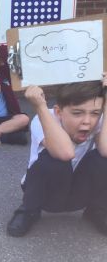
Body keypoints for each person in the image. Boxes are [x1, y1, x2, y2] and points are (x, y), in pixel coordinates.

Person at [7, 75, 107, 237]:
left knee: (103, 159)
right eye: (77, 113)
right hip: (44, 193)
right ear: (59, 112)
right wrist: (40, 106)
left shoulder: (98, 119)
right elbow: (65, 153)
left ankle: (97, 210)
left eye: (95, 113)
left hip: (78, 192)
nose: (87, 121)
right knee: (56, 160)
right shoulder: (44, 118)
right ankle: (29, 210)